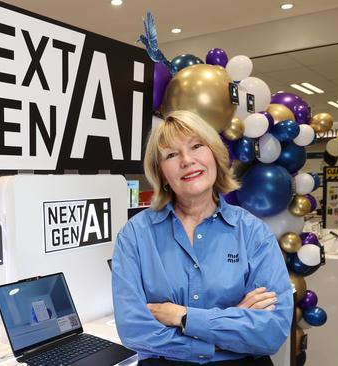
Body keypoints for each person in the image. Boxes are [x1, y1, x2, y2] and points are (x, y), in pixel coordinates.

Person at [112, 110, 293, 365]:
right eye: (172, 155)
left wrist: (182, 316)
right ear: (161, 173)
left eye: (197, 146)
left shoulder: (253, 233)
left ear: (215, 156)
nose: (187, 160)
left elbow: (270, 332)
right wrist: (232, 323)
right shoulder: (135, 236)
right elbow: (134, 331)